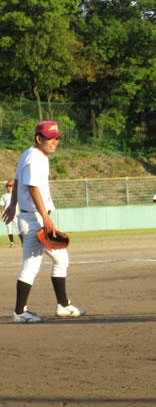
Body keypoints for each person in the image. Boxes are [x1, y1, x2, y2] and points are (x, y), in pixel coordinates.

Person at [2, 121, 84, 323]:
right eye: (50, 138)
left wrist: (13, 205)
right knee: (35, 264)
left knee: (55, 260)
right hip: (35, 218)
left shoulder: (28, 154)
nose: (54, 142)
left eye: (56, 138)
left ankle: (61, 305)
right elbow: (32, 188)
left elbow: (18, 180)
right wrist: (45, 218)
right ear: (39, 138)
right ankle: (21, 312)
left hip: (31, 215)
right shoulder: (35, 158)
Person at [0, 180, 21, 248]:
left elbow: (21, 204)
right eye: (8, 186)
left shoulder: (16, 195)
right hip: (7, 214)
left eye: (10, 186)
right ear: (6, 187)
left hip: (15, 214)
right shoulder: (4, 196)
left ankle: (23, 242)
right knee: (9, 229)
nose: (9, 187)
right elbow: (2, 206)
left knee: (18, 228)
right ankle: (12, 243)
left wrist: (19, 212)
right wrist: (2, 215)